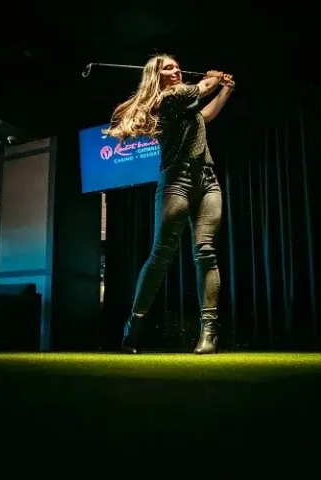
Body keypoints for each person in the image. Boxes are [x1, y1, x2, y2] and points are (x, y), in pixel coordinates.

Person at [105, 54, 234, 354]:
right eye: (169, 68)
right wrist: (214, 77)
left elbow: (206, 115)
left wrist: (226, 88)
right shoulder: (170, 97)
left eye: (177, 66)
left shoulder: (186, 105)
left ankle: (208, 333)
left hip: (207, 179)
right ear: (157, 76)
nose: (176, 71)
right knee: (161, 255)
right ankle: (133, 325)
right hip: (176, 180)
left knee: (205, 252)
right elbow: (202, 89)